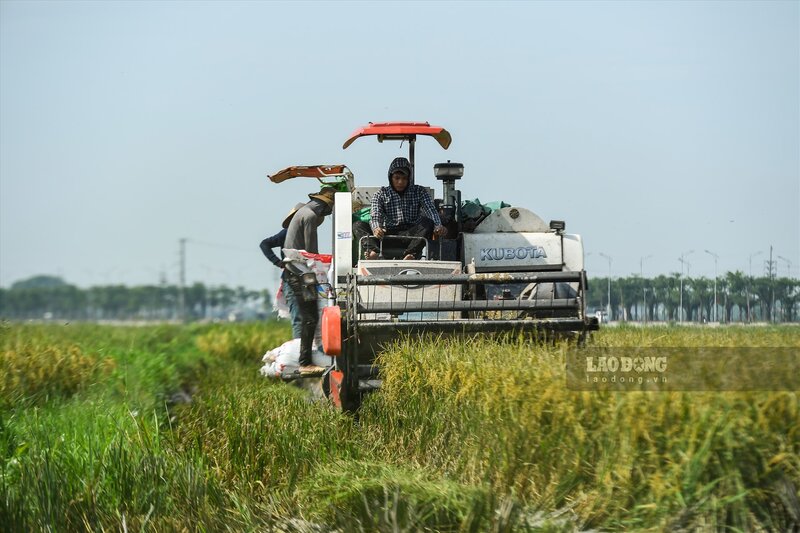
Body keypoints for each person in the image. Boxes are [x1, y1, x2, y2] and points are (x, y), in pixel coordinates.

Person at [283, 186, 335, 372]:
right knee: (310, 317)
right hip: (300, 273)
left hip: (294, 271)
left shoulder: (303, 212)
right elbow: (311, 253)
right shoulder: (311, 217)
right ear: (325, 207)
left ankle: (307, 358)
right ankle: (305, 362)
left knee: (309, 317)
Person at [353, 157, 446, 260]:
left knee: (428, 222)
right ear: (390, 178)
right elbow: (375, 215)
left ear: (409, 178)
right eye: (397, 178)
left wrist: (438, 226)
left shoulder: (419, 191)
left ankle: (410, 255)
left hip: (411, 237)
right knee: (358, 225)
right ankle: (373, 252)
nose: (400, 182)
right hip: (387, 236)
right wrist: (377, 229)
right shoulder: (381, 194)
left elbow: (431, 211)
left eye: (404, 178)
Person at [259, 203, 305, 339]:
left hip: (303, 278)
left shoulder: (305, 233)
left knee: (307, 318)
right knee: (298, 318)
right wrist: (277, 262)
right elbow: (264, 244)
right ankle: (299, 349)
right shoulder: (287, 233)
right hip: (291, 279)